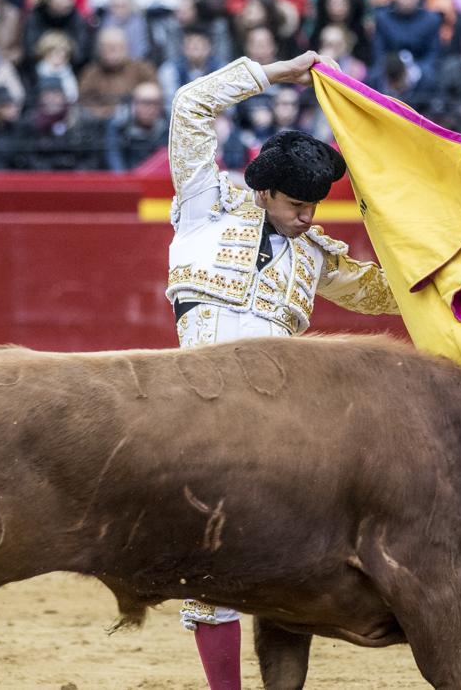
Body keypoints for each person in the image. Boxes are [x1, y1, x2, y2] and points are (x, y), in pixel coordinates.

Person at [166, 50, 398, 689]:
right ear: (262, 189)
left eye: (316, 205)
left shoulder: (317, 254)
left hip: (276, 425)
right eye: (297, 204)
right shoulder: (203, 201)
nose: (309, 217)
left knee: (282, 562)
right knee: (208, 564)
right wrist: (276, 72)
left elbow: (386, 292)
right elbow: (191, 104)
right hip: (198, 411)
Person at [15, 76, 104, 169]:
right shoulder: (30, 121)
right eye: (47, 94)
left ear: (64, 96)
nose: (51, 99)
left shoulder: (81, 119)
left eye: (56, 94)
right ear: (40, 98)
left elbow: (92, 154)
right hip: (42, 176)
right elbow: (27, 155)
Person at [78, 27, 158, 121]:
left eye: (116, 47)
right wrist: (104, 112)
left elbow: (154, 96)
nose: (111, 51)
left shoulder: (143, 69)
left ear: (126, 47)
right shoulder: (90, 73)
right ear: (99, 50)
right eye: (106, 47)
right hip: (99, 124)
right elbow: (83, 101)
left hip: (135, 123)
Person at [371, 0, 443, 85]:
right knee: (374, 76)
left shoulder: (432, 19)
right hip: (390, 67)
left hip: (421, 67)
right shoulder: (382, 18)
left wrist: (417, 71)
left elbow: (433, 53)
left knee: (433, 77)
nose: (407, 0)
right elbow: (379, 51)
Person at [104, 81, 167, 172]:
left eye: (156, 103)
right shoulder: (119, 127)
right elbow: (115, 162)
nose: (151, 108)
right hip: (128, 182)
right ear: (134, 103)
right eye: (146, 103)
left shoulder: (168, 128)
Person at [158, 24, 219, 108]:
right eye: (191, 42)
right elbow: (171, 103)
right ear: (183, 48)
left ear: (209, 47)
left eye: (200, 42)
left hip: (214, 116)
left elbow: (228, 104)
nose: (196, 46)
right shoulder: (169, 70)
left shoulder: (221, 69)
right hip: (180, 116)